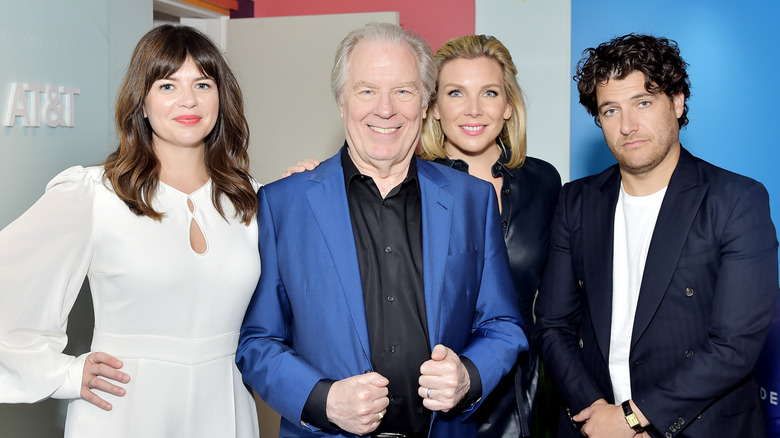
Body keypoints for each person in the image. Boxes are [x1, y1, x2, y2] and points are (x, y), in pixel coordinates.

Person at [236, 23, 526, 438]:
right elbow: (257, 343)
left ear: (426, 104)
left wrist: (470, 375)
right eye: (367, 90)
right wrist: (324, 400)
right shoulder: (284, 204)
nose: (385, 109)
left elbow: (503, 324)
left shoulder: (471, 200)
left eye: (404, 91)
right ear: (341, 101)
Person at [0, 25, 260, 437]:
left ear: (220, 98)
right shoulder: (93, 195)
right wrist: (62, 373)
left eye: (203, 84)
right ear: (141, 101)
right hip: (123, 408)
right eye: (168, 85)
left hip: (225, 407)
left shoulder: (254, 202)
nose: (188, 100)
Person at [534, 33, 779, 438]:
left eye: (643, 103)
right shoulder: (576, 200)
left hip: (700, 426)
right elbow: (553, 325)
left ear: (678, 102)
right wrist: (596, 413)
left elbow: (733, 346)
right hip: (593, 425)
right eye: (610, 110)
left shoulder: (736, 199)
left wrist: (634, 417)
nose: (627, 125)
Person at [417, 35, 561, 438]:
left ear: (509, 105)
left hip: (528, 396)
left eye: (490, 93)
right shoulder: (408, 184)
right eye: (456, 92)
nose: (474, 109)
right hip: (437, 396)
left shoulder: (544, 182)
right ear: (434, 108)